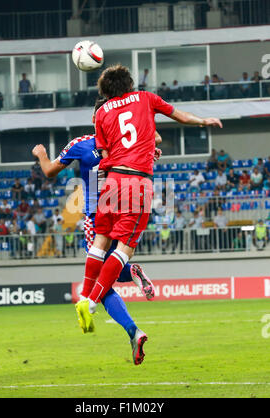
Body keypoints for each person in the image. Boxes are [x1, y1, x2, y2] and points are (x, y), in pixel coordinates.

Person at [73, 65, 221, 338]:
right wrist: (204, 121)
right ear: (129, 84)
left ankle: (83, 295)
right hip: (137, 182)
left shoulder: (102, 113)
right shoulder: (146, 98)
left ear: (104, 90)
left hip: (111, 181)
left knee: (100, 241)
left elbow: (106, 152)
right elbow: (179, 116)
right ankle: (91, 303)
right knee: (124, 250)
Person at [32, 98, 159, 365]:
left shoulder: (81, 144)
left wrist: (41, 154)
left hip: (97, 217)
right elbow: (153, 140)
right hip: (126, 209)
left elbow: (50, 171)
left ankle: (133, 329)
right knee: (111, 270)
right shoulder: (127, 143)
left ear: (95, 119)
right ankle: (130, 274)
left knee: (102, 282)